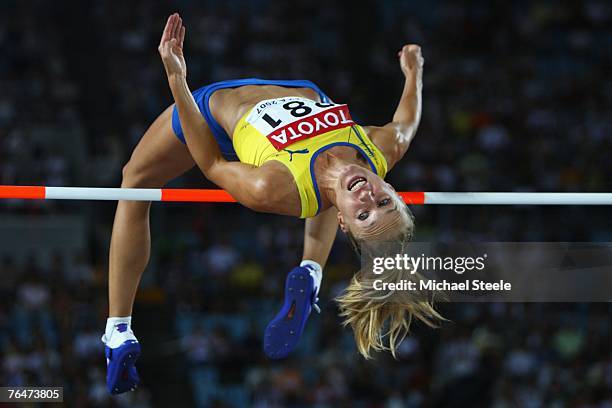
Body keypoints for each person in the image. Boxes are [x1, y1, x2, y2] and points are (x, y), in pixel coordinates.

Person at [102, 13, 435, 395]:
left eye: (363, 214)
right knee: (336, 183)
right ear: (392, 189)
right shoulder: (380, 149)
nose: (366, 198)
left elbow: (211, 163)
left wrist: (177, 79)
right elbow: (406, 122)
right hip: (303, 92)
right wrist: (414, 72)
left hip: (212, 114)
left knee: (135, 181)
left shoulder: (271, 187)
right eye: (383, 202)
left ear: (344, 224)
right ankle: (311, 272)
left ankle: (118, 331)